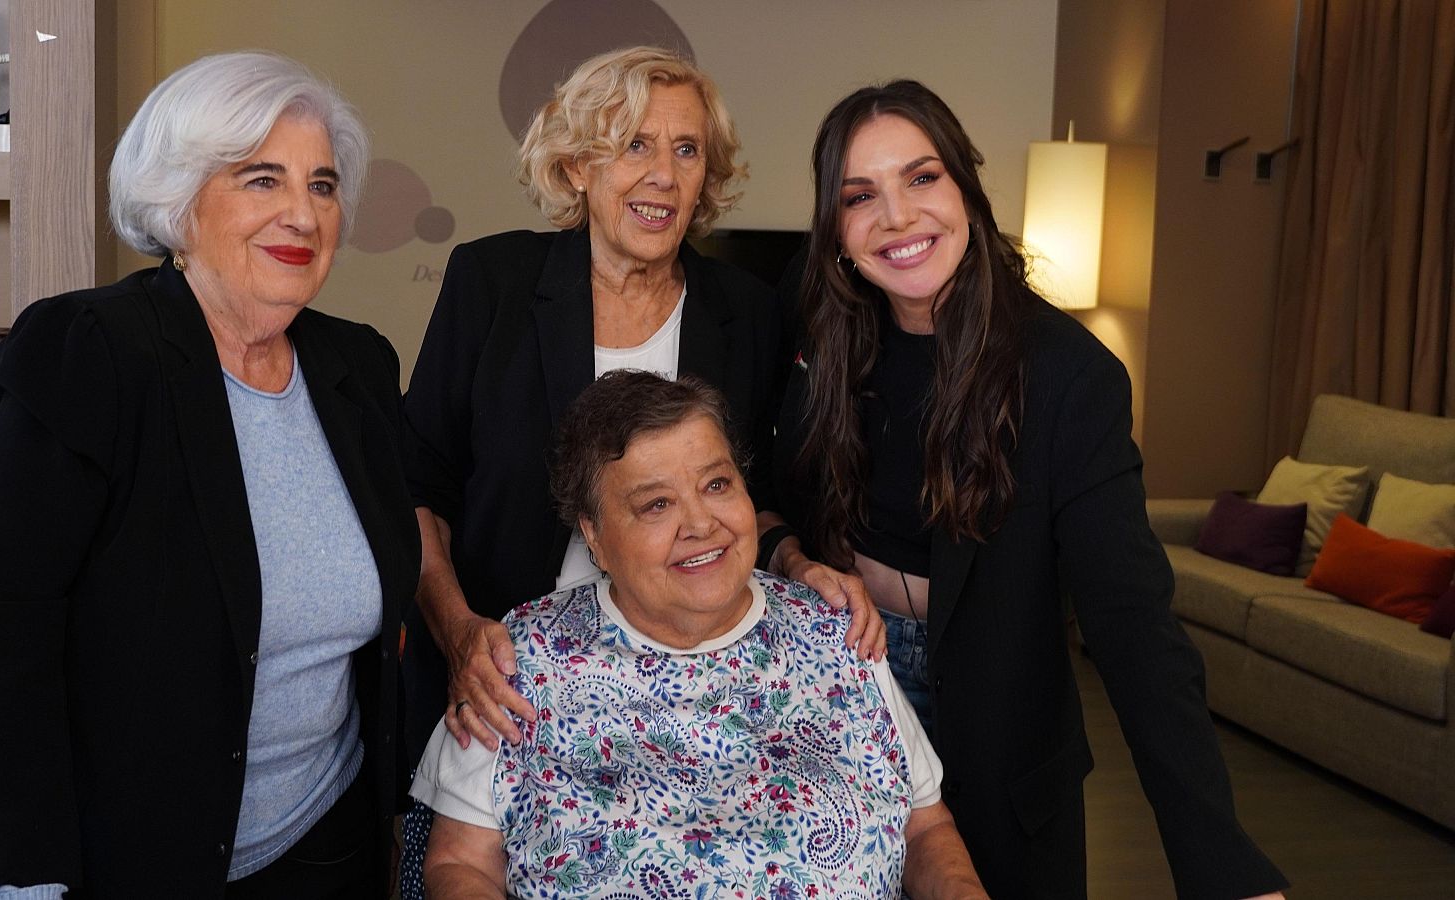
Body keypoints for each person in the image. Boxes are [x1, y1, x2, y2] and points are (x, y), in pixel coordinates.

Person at [0, 52, 418, 899]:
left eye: (322, 185)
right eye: (261, 179)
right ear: (179, 201)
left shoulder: (357, 366)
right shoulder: (87, 353)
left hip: (324, 847)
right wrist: (26, 883)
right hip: (110, 861)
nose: (301, 213)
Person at [767, 80, 1289, 898]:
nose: (897, 217)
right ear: (836, 234)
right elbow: (765, 501)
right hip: (841, 706)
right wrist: (795, 560)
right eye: (859, 196)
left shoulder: (1068, 377)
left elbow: (1134, 629)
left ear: (969, 191)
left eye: (922, 178)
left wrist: (1222, 865)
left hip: (1002, 730)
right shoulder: (818, 335)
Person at [398, 47, 884, 892]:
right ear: (578, 164)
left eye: (686, 150)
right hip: (506, 689)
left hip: (678, 703)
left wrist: (801, 562)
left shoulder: (745, 313)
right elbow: (417, 490)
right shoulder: (494, 283)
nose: (662, 174)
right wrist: (456, 629)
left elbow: (753, 498)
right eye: (632, 145)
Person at [411, 370, 986, 898]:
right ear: (595, 535)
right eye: (656, 504)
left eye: (716, 485)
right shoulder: (522, 657)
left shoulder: (838, 630)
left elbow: (926, 825)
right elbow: (460, 864)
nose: (701, 523)